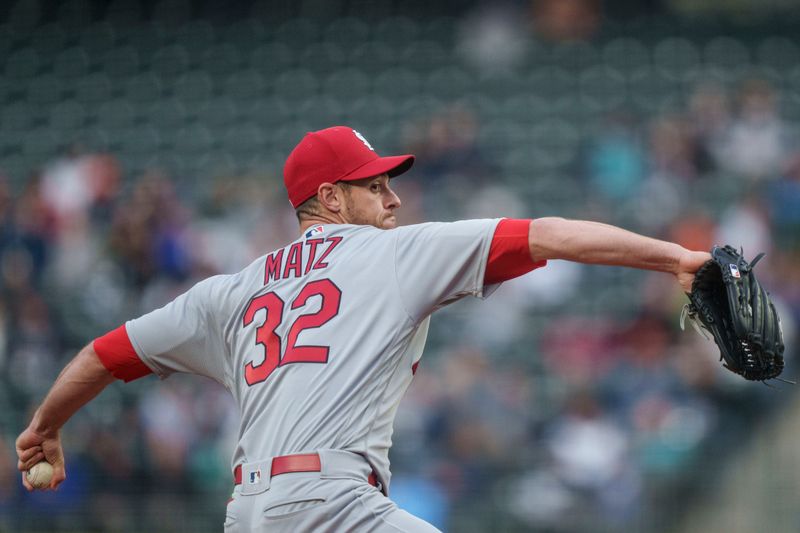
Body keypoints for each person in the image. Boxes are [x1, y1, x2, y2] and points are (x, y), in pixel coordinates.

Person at [16, 126, 711, 532]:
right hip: (331, 503)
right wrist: (674, 255)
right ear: (328, 198)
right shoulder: (389, 253)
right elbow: (550, 235)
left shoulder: (227, 292)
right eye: (374, 184)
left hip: (249, 515)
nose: (394, 196)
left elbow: (105, 353)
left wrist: (45, 424)